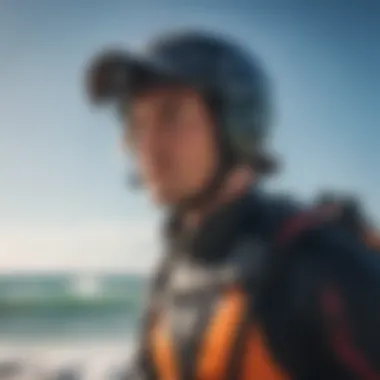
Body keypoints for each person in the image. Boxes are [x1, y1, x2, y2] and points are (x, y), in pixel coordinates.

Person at [85, 30, 380, 380]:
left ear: (236, 124)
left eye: (171, 114)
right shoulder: (171, 273)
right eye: (136, 122)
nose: (146, 144)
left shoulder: (320, 263)